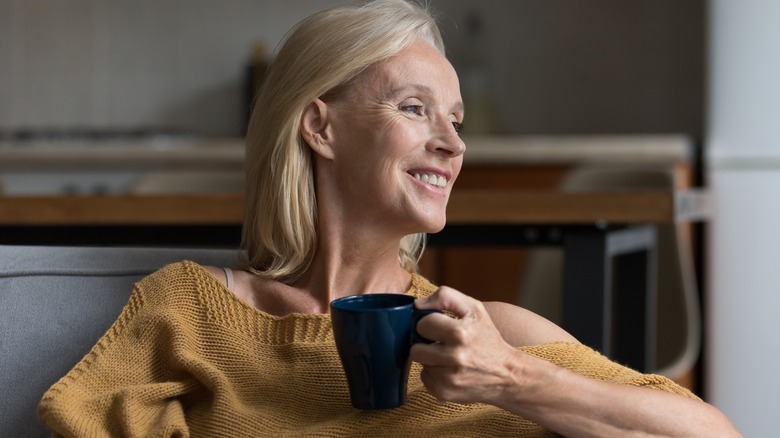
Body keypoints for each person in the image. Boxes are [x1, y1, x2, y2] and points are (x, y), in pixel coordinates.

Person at [38, 1, 741, 436]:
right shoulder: (187, 312)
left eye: (456, 120)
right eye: (414, 108)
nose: (453, 143)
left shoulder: (486, 337)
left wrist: (512, 379)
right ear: (320, 126)